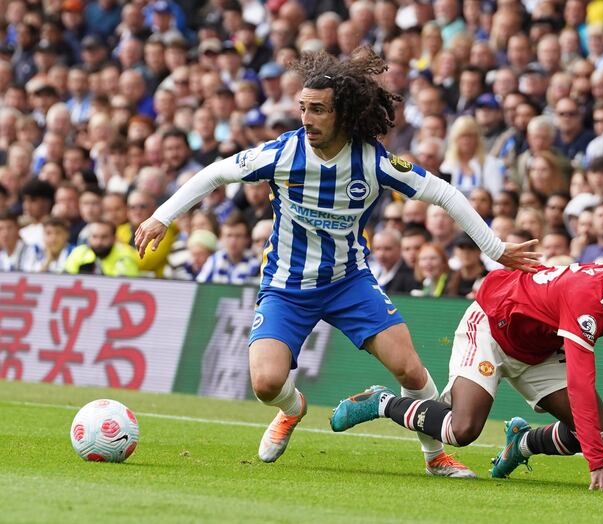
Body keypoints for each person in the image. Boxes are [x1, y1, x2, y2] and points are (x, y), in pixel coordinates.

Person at [134, 47, 539, 476]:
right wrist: (162, 217)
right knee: (267, 384)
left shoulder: (373, 160)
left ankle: (435, 456)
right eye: (303, 108)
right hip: (287, 287)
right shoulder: (282, 154)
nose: (306, 119)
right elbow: (215, 173)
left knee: (409, 367)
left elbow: (442, 191)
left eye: (318, 110)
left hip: (350, 282)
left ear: (342, 114)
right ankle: (293, 408)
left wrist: (494, 248)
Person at [331, 238, 603, 490]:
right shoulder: (589, 298)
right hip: (492, 326)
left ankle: (520, 445)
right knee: (463, 431)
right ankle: (381, 402)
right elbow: (582, 378)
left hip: (541, 347)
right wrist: (597, 465)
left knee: (597, 430)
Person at [65, 221, 140, 276]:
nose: (99, 242)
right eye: (94, 236)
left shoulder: (125, 256)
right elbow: (67, 279)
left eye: (104, 237)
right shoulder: (78, 252)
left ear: (114, 238)